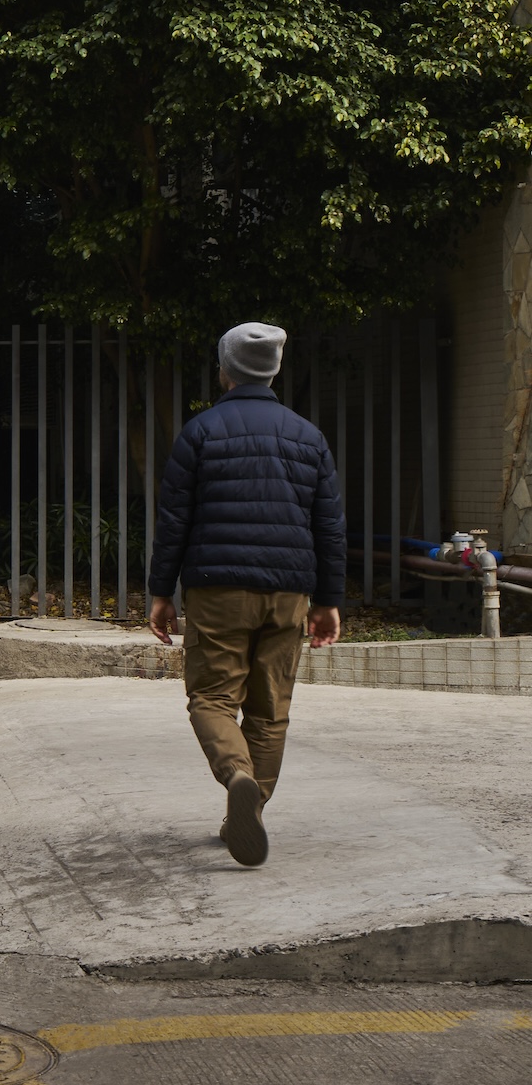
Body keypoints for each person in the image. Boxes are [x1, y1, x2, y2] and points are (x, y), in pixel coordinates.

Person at [145, 321, 345, 868]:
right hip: (290, 592)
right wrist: (328, 600)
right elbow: (329, 526)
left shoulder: (201, 432)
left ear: (224, 369)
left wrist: (162, 590)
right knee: (270, 710)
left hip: (218, 590)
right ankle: (250, 806)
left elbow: (174, 522)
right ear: (274, 369)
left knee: (211, 699)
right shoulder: (308, 437)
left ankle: (237, 778)